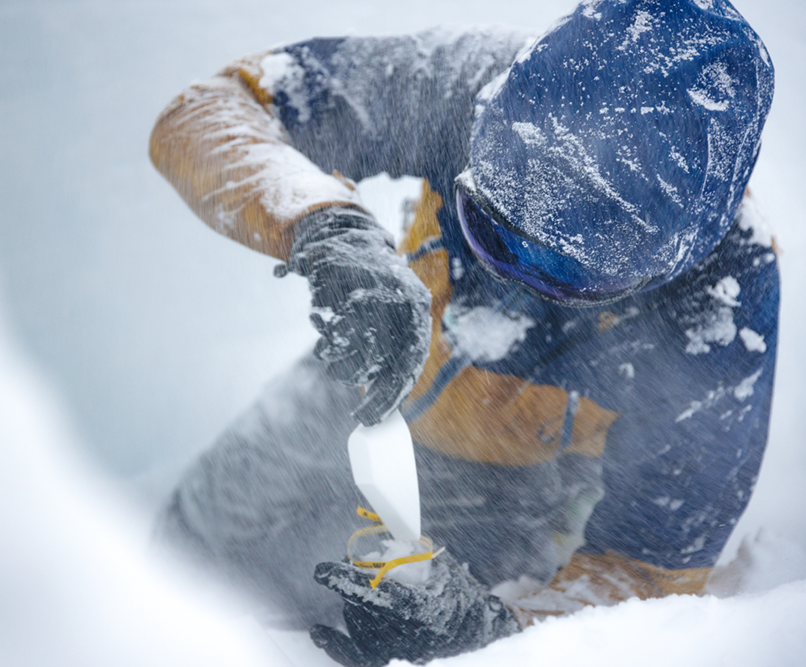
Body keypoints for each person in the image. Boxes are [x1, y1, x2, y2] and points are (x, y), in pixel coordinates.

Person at [149, 0, 777, 664]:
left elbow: (648, 576)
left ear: (662, 265)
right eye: (489, 223)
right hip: (352, 374)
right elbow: (214, 107)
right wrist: (324, 228)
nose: (505, 284)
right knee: (180, 553)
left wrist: (488, 628)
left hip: (511, 484)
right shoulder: (465, 82)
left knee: (335, 633)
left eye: (563, 272)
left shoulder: (722, 309)